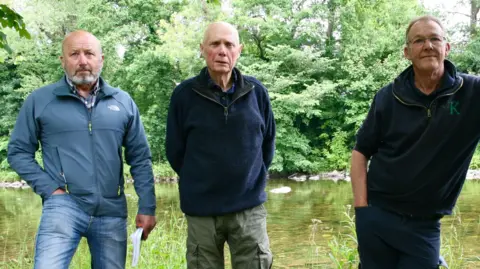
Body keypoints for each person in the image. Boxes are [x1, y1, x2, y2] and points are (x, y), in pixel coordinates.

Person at [7, 30, 157, 269]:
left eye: (89, 53)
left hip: (111, 209)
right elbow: (17, 152)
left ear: (101, 59)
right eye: (74, 54)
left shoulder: (123, 102)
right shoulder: (40, 101)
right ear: (63, 60)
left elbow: (140, 158)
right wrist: (50, 189)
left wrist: (147, 206)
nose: (83, 61)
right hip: (63, 206)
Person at [351, 15, 480, 268]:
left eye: (435, 38)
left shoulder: (472, 94)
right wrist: (361, 211)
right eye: (419, 40)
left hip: (425, 225)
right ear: (407, 52)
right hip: (377, 216)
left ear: (447, 47)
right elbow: (360, 152)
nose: (428, 45)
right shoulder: (388, 97)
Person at [166, 21, 276, 268]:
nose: (222, 51)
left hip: (248, 208)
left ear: (240, 50)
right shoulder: (184, 95)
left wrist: (249, 178)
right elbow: (175, 151)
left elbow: (267, 145)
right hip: (201, 210)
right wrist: (200, 180)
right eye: (215, 44)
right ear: (203, 48)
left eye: (229, 44)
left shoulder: (257, 92)